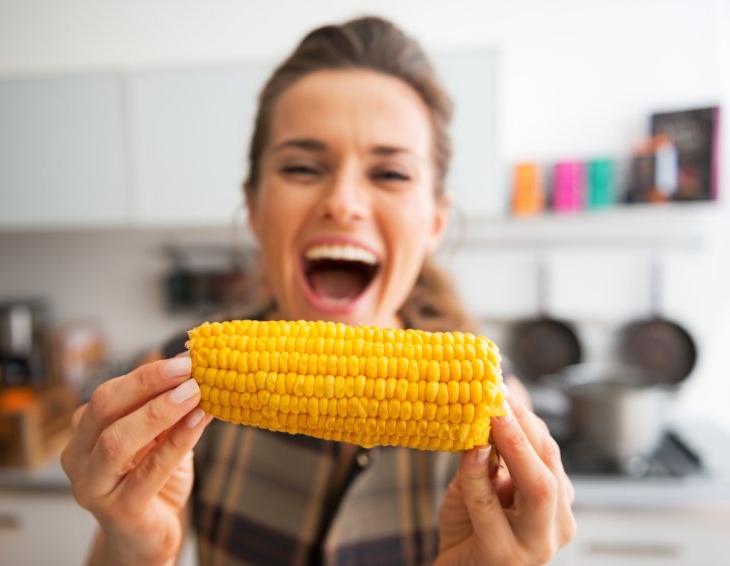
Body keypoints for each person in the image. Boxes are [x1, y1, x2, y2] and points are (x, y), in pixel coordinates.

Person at [62, 16, 576, 566]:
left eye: (391, 174)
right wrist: (134, 546)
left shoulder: (500, 429)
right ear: (256, 208)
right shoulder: (173, 384)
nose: (343, 202)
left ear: (434, 222)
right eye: (304, 167)